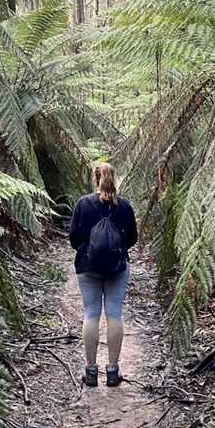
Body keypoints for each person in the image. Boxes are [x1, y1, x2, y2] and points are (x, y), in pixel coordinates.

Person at [68, 162, 138, 387]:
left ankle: (90, 372)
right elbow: (133, 238)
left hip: (88, 267)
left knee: (91, 314)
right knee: (114, 314)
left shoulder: (83, 204)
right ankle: (112, 371)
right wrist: (116, 249)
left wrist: (89, 249)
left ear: (94, 179)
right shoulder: (125, 207)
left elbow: (74, 238)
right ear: (113, 178)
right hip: (117, 268)